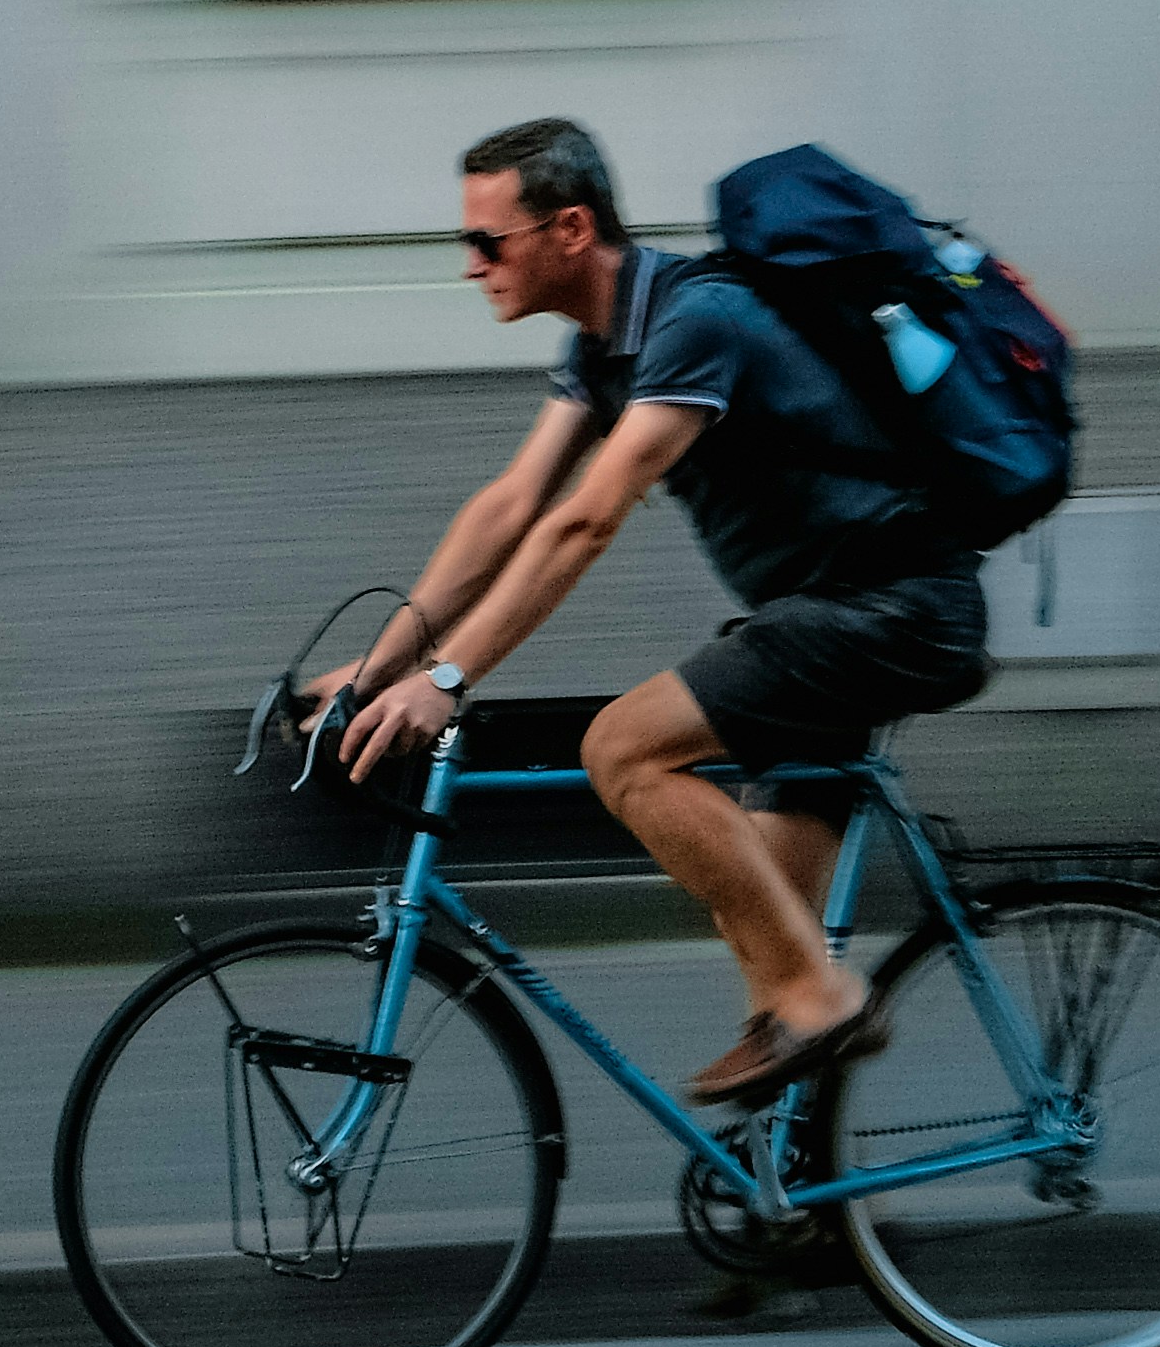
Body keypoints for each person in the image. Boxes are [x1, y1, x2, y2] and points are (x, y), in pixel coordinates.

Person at [321, 117, 993, 1106]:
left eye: (485, 240)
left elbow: (585, 518)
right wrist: (381, 665)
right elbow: (512, 506)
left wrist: (451, 679)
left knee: (623, 750)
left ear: (570, 229)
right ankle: (793, 1189)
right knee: (754, 911)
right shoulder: (602, 349)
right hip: (821, 616)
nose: (469, 266)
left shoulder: (696, 320)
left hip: (891, 609)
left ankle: (824, 1000)